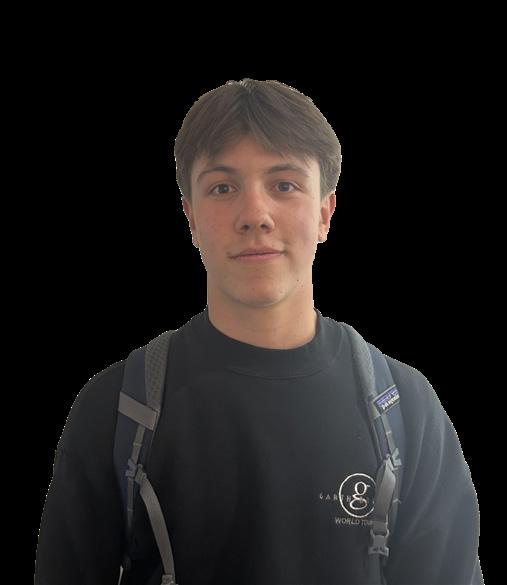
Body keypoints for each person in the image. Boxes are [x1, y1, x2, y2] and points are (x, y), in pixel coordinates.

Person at [34, 78, 483, 584]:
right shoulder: (119, 409)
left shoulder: (405, 408)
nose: (254, 215)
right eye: (223, 188)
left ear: (325, 212)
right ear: (190, 217)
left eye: (284, 184)